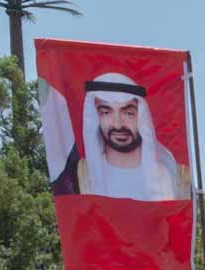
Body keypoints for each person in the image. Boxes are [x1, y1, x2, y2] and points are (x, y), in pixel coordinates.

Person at [61, 73, 191, 200]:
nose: (118, 124)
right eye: (106, 112)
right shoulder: (77, 178)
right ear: (96, 118)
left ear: (142, 117)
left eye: (128, 113)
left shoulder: (176, 178)